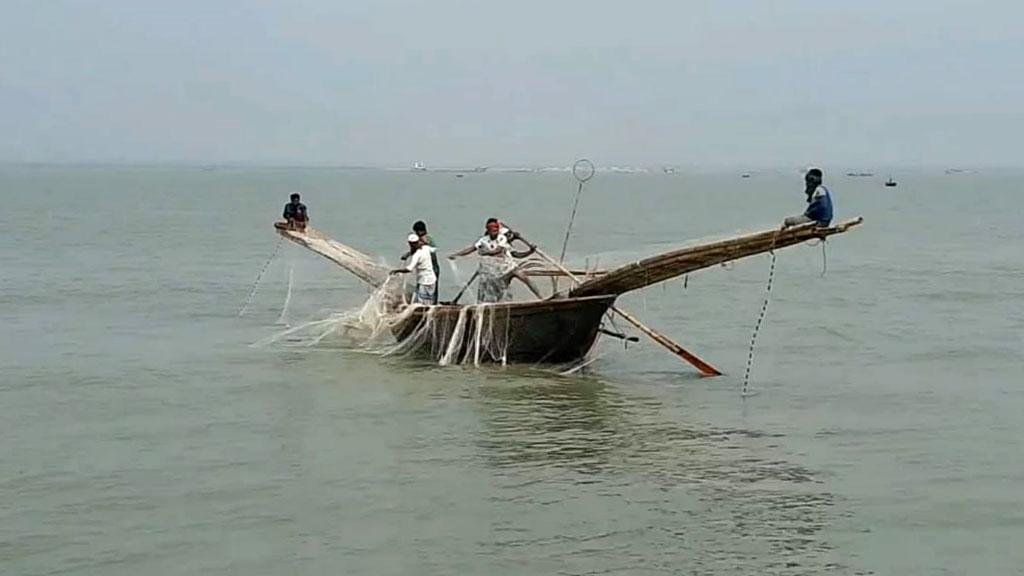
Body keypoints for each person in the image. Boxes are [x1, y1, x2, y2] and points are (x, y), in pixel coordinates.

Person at [449, 218, 541, 302]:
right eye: (492, 229)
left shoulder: (502, 238)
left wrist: (530, 251)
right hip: (497, 271)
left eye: (496, 229)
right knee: (497, 292)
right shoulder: (483, 240)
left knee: (524, 277)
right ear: (488, 230)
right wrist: (456, 255)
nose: (494, 231)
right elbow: (471, 249)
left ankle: (540, 298)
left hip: (509, 267)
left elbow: (502, 251)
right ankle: (484, 304)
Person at [390, 233, 437, 305]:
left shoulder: (417, 255)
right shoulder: (426, 248)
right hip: (432, 279)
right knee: (429, 300)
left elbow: (409, 269)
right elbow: (433, 249)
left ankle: (422, 314)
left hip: (424, 281)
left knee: (421, 303)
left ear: (410, 244)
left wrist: (397, 271)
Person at [401, 221, 440, 304]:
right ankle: (421, 302)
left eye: (417, 231)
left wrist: (425, 243)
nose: (416, 234)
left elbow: (433, 249)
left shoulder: (427, 238)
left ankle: (433, 304)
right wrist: (407, 254)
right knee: (422, 284)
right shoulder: (420, 240)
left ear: (421, 231)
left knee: (432, 287)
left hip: (432, 267)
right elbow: (416, 249)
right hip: (426, 268)